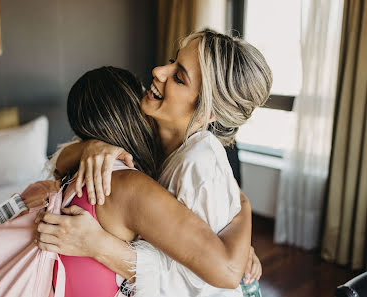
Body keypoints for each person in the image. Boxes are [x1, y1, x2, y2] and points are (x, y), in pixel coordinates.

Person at [36, 30, 271, 296]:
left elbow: (197, 284)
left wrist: (99, 245)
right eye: (172, 61)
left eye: (179, 77)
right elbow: (58, 164)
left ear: (207, 111)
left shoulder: (199, 162)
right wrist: (88, 147)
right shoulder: (156, 143)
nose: (158, 71)